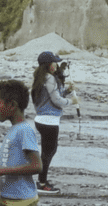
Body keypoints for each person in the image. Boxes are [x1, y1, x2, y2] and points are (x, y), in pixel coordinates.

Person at [30, 51, 78, 195]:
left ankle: (42, 181)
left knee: (47, 152)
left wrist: (67, 91)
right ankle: (42, 183)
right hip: (49, 121)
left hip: (42, 119)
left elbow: (53, 96)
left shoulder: (40, 77)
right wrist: (72, 101)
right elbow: (56, 101)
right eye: (54, 62)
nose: (56, 65)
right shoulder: (50, 78)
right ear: (48, 65)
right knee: (48, 152)